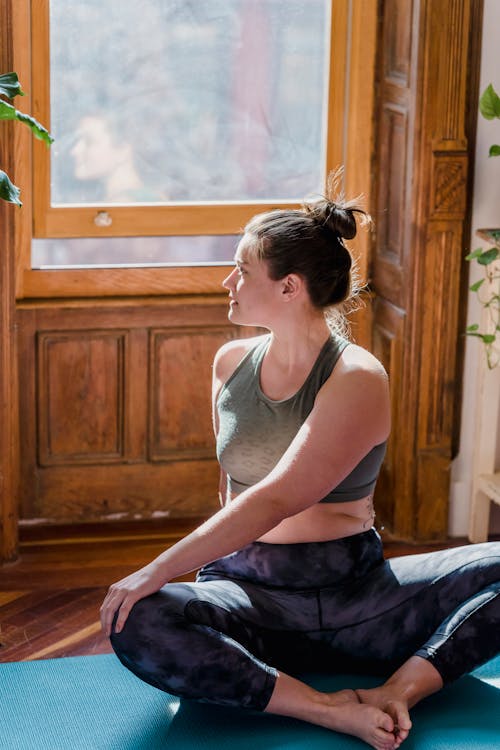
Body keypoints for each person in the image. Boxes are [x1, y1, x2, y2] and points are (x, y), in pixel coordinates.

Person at [100, 173, 500, 750]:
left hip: (358, 600)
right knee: (134, 618)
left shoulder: (356, 377)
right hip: (249, 595)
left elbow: (277, 497)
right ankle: (322, 709)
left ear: (289, 287)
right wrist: (168, 584)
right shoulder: (229, 362)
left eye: (242, 268)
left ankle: (401, 690)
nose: (227, 281)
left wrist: (155, 567)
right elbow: (233, 490)